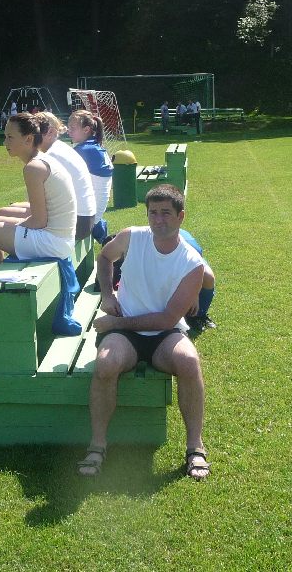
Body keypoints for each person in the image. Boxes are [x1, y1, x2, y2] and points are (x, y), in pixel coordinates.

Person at [77, 184, 210, 481]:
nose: (158, 220)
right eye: (153, 213)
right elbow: (104, 257)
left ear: (181, 216)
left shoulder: (192, 264)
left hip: (164, 333)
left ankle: (195, 447)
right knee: (106, 363)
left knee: (189, 361)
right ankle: (97, 446)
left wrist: (115, 324)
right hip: (127, 333)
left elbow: (167, 319)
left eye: (166, 213)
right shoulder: (132, 237)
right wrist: (108, 295)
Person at [0, 112, 76, 274]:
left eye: (10, 137)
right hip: (60, 240)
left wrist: (11, 229)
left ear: (28, 139)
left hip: (52, 243)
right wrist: (5, 230)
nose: (5, 142)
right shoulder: (43, 160)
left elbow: (39, 221)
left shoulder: (34, 168)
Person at [37, 111, 96, 241]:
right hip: (86, 219)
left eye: (34, 132)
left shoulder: (51, 156)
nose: (30, 137)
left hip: (77, 223)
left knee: (7, 221)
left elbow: (43, 205)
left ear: (50, 132)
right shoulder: (59, 148)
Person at [68, 109, 113, 235]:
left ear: (86, 130)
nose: (68, 131)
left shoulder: (83, 150)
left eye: (72, 128)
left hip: (87, 218)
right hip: (96, 215)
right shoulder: (95, 147)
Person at [179, 229, 217, 332]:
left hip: (189, 259)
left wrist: (195, 294)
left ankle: (198, 315)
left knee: (208, 277)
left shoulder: (191, 249)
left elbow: (197, 268)